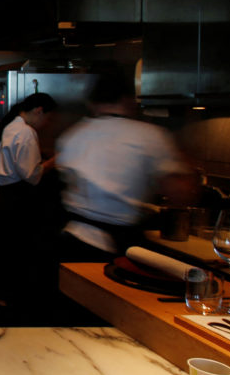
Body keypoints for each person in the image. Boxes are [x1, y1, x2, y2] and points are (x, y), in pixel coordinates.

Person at [56, 67, 195, 262]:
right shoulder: (150, 135)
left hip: (72, 241)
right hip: (120, 245)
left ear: (92, 102)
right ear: (128, 99)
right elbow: (180, 193)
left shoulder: (73, 135)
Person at [0, 92, 57, 323]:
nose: (46, 124)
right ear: (39, 111)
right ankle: (8, 312)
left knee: (1, 257)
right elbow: (32, 175)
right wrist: (54, 161)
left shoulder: (10, 125)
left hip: (1, 197)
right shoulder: (26, 132)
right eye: (47, 118)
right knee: (13, 258)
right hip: (14, 201)